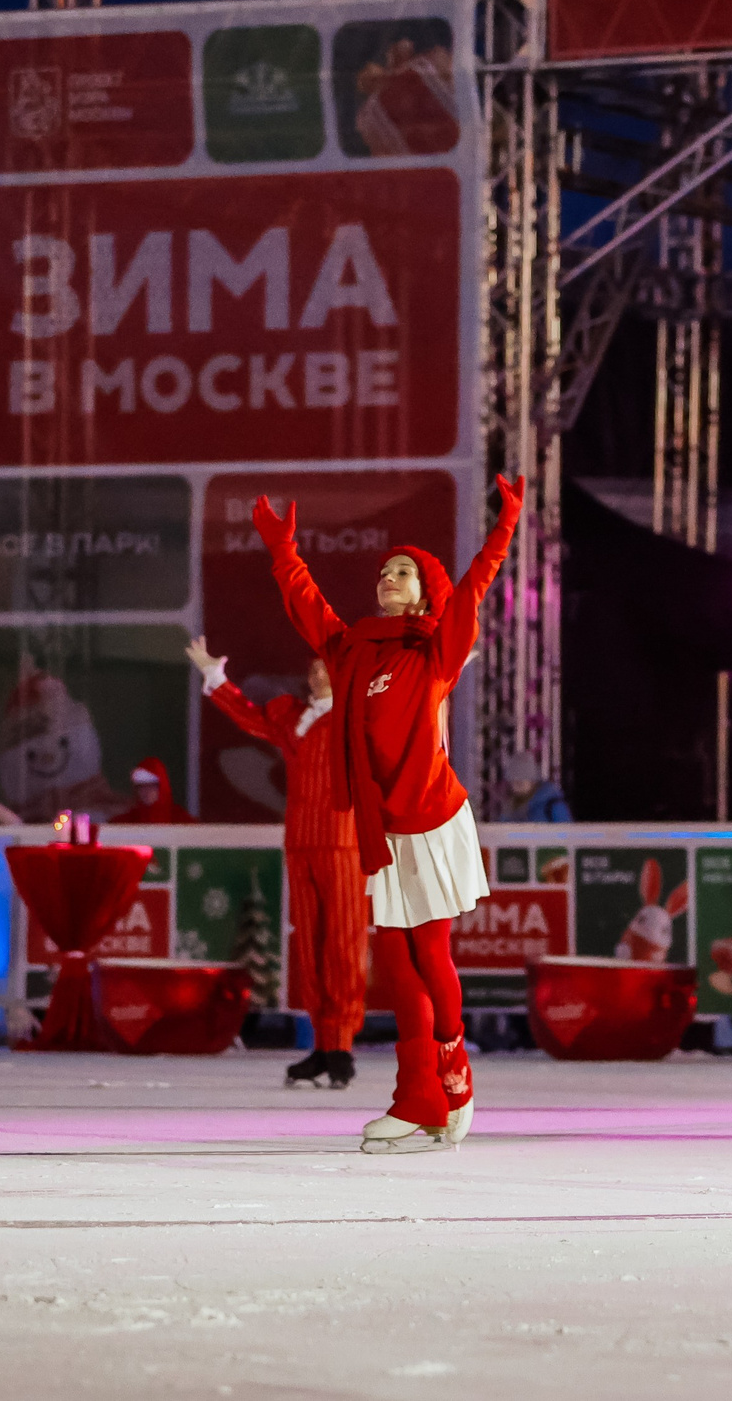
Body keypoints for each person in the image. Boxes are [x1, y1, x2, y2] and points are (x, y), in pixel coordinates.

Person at [253, 473, 525, 1153]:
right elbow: (307, 607)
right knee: (396, 967)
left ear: (424, 589)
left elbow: (474, 588)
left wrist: (503, 527)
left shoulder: (435, 647)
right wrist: (283, 551)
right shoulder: (353, 650)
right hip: (382, 828)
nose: (388, 577)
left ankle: (454, 1058)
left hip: (431, 817)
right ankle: (415, 1097)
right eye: (384, 570)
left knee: (429, 952)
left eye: (403, 571)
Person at [186, 637, 366, 1092]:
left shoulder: (356, 719)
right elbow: (249, 715)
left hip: (345, 843)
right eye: (313, 667)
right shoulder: (291, 717)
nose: (316, 674)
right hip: (302, 842)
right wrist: (215, 675)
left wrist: (444, 668)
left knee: (342, 947)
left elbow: (408, 712)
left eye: (325, 668)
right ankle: (324, 1044)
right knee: (309, 948)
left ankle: (341, 1043)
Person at [111, 757, 194, 824]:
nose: (146, 791)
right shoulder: (124, 822)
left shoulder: (182, 821)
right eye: (142, 787)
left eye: (152, 786)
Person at [502, 753, 572, 822]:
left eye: (520, 783)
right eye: (513, 781)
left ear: (533, 781)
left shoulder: (553, 805)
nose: (515, 786)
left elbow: (567, 831)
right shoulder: (510, 808)